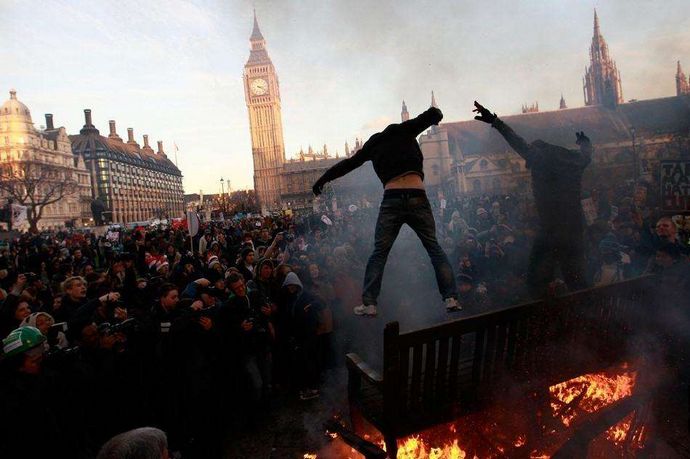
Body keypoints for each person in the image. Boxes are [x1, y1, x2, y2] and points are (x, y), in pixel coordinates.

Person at [312, 106, 459, 315]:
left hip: (392, 197)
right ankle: (450, 297)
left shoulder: (374, 143)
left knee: (379, 253)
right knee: (434, 248)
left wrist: (323, 179)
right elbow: (434, 114)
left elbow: (348, 164)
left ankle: (370, 302)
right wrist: (435, 117)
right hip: (418, 195)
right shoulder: (405, 129)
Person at [473, 101, 592, 297]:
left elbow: (516, 141)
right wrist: (585, 143)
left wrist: (494, 121)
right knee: (576, 278)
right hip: (575, 228)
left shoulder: (540, 157)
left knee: (536, 280)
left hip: (552, 230)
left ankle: (545, 317)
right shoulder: (574, 161)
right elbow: (587, 155)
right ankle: (588, 315)